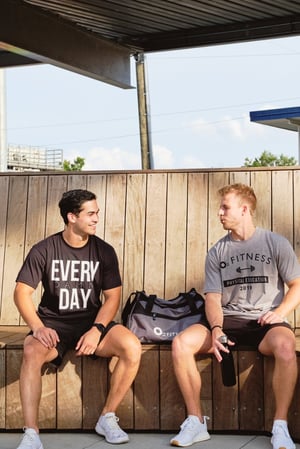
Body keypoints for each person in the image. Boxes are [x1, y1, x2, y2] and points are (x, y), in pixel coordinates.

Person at [170, 183, 300, 449]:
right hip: (227, 320)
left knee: (287, 346)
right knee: (181, 343)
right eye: (220, 208)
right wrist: (216, 328)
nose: (220, 213)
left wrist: (279, 313)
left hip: (264, 323)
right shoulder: (218, 251)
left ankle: (280, 426)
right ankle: (195, 421)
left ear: (244, 209)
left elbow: (297, 284)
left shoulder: (275, 243)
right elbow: (213, 297)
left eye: (225, 207)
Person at [14, 189, 142, 449]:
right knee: (30, 351)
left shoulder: (104, 251)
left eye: (97, 213)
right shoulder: (44, 249)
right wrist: (37, 328)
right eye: (90, 214)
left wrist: (97, 329)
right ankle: (31, 433)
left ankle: (107, 416)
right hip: (53, 324)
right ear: (71, 217)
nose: (96, 219)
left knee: (132, 346)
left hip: (90, 322)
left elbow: (112, 299)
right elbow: (21, 293)